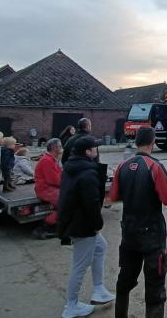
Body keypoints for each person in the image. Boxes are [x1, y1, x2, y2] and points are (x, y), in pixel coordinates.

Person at [109, 126, 167, 318]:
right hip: (152, 235)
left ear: (136, 141)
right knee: (155, 289)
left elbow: (113, 196)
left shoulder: (122, 166)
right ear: (152, 142)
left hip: (129, 232)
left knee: (124, 282)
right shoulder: (155, 166)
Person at [58, 136, 115, 318]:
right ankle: (71, 305)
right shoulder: (88, 174)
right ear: (88, 152)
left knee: (101, 247)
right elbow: (91, 203)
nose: (97, 150)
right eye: (94, 148)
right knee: (80, 265)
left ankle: (99, 289)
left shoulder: (71, 167)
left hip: (74, 220)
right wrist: (97, 224)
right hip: (82, 225)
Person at [33, 138, 64, 240]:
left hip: (49, 188)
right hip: (46, 189)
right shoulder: (47, 161)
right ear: (54, 148)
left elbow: (59, 176)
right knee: (67, 202)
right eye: (60, 146)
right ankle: (46, 225)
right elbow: (54, 180)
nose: (61, 148)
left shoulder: (50, 159)